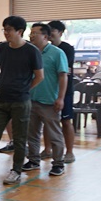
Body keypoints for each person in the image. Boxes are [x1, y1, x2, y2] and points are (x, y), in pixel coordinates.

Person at [0, 16, 43, 185]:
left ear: (19, 31)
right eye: (4, 29)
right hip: (1, 100)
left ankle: (16, 171)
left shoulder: (31, 51)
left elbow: (39, 76)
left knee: (19, 139)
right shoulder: (2, 48)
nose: (6, 33)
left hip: (21, 101)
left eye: (9, 30)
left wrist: (25, 89)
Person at [22, 23, 68, 177]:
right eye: (31, 33)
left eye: (35, 33)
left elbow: (63, 76)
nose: (31, 36)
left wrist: (60, 98)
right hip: (31, 99)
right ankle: (34, 160)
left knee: (54, 134)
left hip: (49, 101)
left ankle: (58, 163)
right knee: (32, 133)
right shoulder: (29, 52)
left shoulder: (57, 53)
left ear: (46, 37)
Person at [48, 20, 76, 163]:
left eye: (52, 31)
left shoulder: (67, 49)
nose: (49, 34)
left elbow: (63, 70)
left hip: (65, 92)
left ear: (59, 32)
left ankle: (69, 152)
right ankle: (47, 150)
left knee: (65, 121)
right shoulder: (44, 49)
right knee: (47, 120)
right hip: (48, 90)